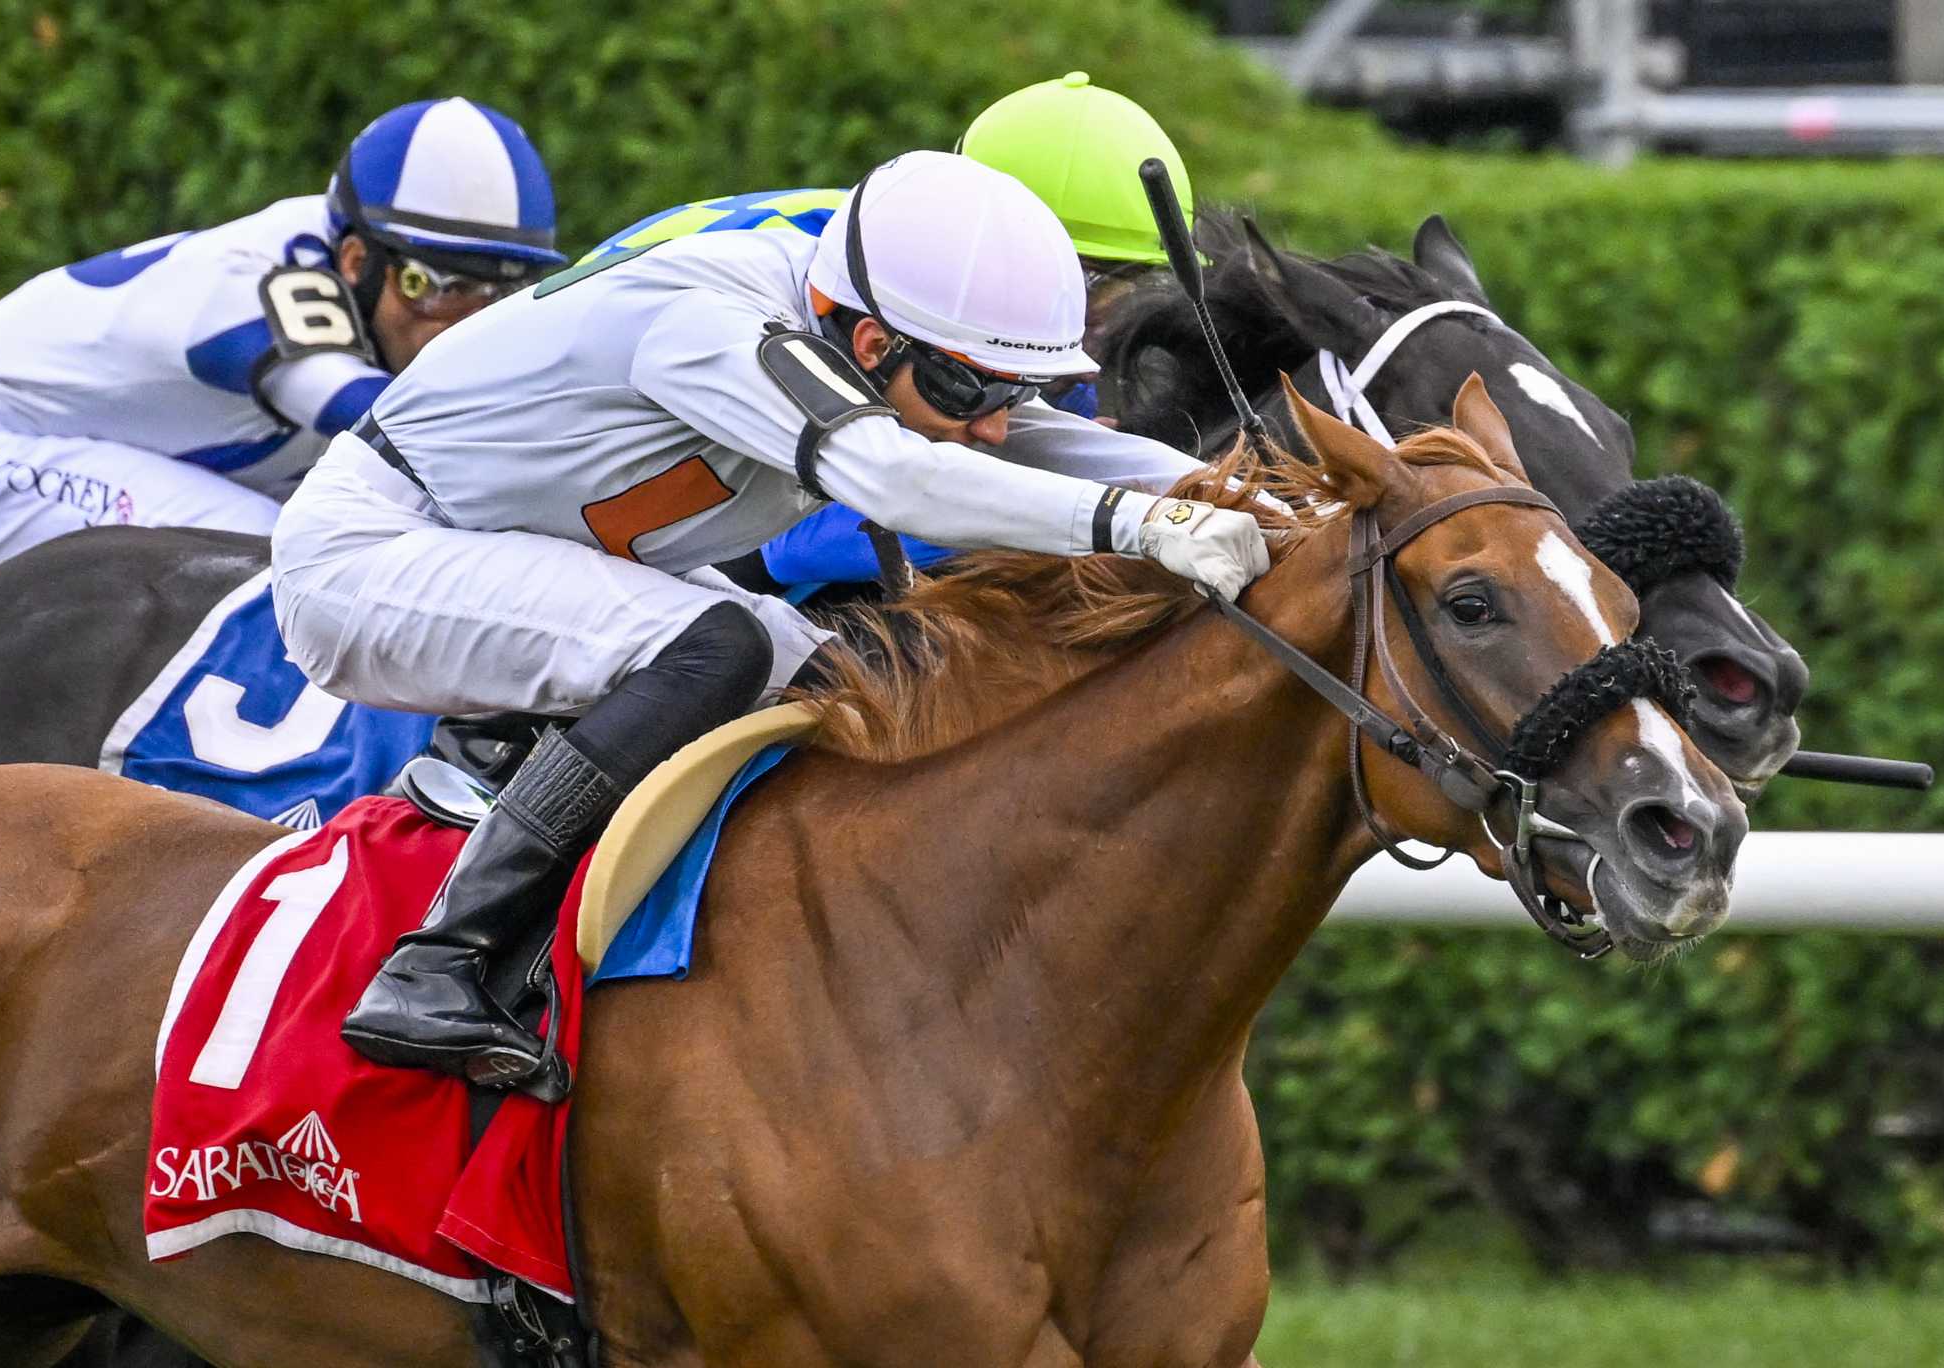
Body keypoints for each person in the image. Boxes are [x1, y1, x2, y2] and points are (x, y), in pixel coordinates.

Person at [270, 150, 1269, 1096]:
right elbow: (893, 474)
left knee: (859, 685)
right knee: (721, 646)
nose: (996, 424)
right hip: (372, 549)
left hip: (521, 555)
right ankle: (440, 965)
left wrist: (1260, 501)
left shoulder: (860, 334)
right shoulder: (711, 321)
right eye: (973, 390)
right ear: (870, 344)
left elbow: (1041, 443)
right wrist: (1144, 526)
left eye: (1015, 389)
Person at [592, 72, 1197, 593]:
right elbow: (803, 541)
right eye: (1085, 280)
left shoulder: (934, 269)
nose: (1091, 315)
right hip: (616, 449)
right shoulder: (865, 275)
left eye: (1132, 285)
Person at [0, 97, 564, 583]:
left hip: (89, 443)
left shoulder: (354, 274)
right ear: (354, 260)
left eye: (496, 291)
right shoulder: (260, 280)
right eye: (432, 283)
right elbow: (387, 422)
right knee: (285, 566)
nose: (461, 319)